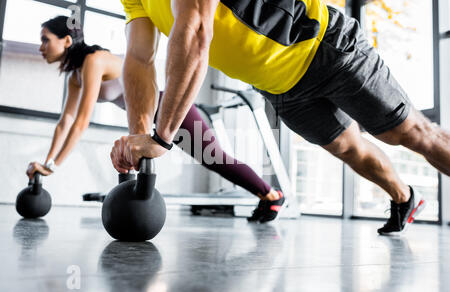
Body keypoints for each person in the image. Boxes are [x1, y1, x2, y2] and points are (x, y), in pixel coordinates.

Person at [110, 0, 450, 235]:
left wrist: (161, 137)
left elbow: (196, 28)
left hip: (325, 47)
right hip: (279, 86)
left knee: (409, 133)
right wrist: (137, 142)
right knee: (349, 149)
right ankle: (404, 198)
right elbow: (139, 60)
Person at [26, 15, 285, 223]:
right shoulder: (75, 77)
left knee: (214, 159)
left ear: (67, 40)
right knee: (211, 159)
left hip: (167, 108)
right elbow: (66, 121)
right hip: (147, 117)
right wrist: (48, 163)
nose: (41, 47)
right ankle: (266, 194)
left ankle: (271, 195)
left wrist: (53, 166)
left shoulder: (93, 61)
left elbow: (81, 121)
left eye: (45, 40)